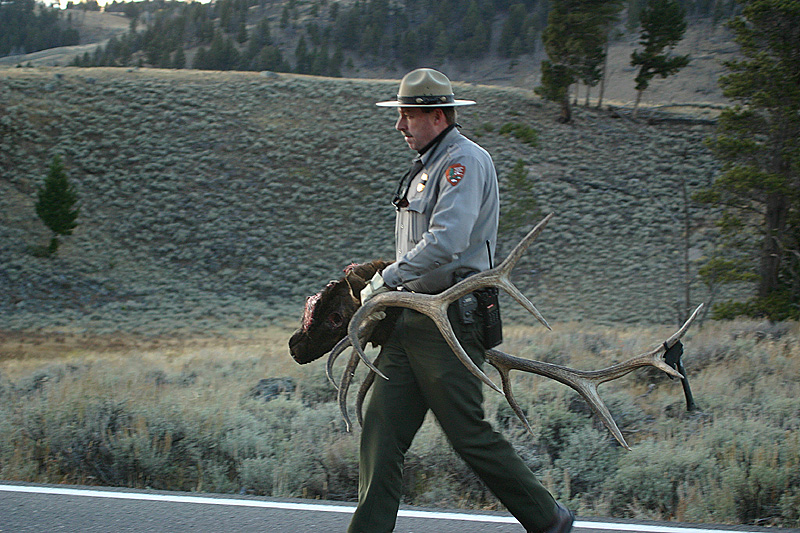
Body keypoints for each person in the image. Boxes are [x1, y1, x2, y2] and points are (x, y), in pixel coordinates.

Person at [348, 68, 574, 533]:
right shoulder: (427, 164)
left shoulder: (463, 163)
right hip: (411, 319)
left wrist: (385, 279)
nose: (400, 126)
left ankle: (548, 519)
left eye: (407, 115)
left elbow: (448, 240)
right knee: (381, 432)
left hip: (449, 325)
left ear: (437, 115)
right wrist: (389, 285)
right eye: (399, 115)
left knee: (468, 434)